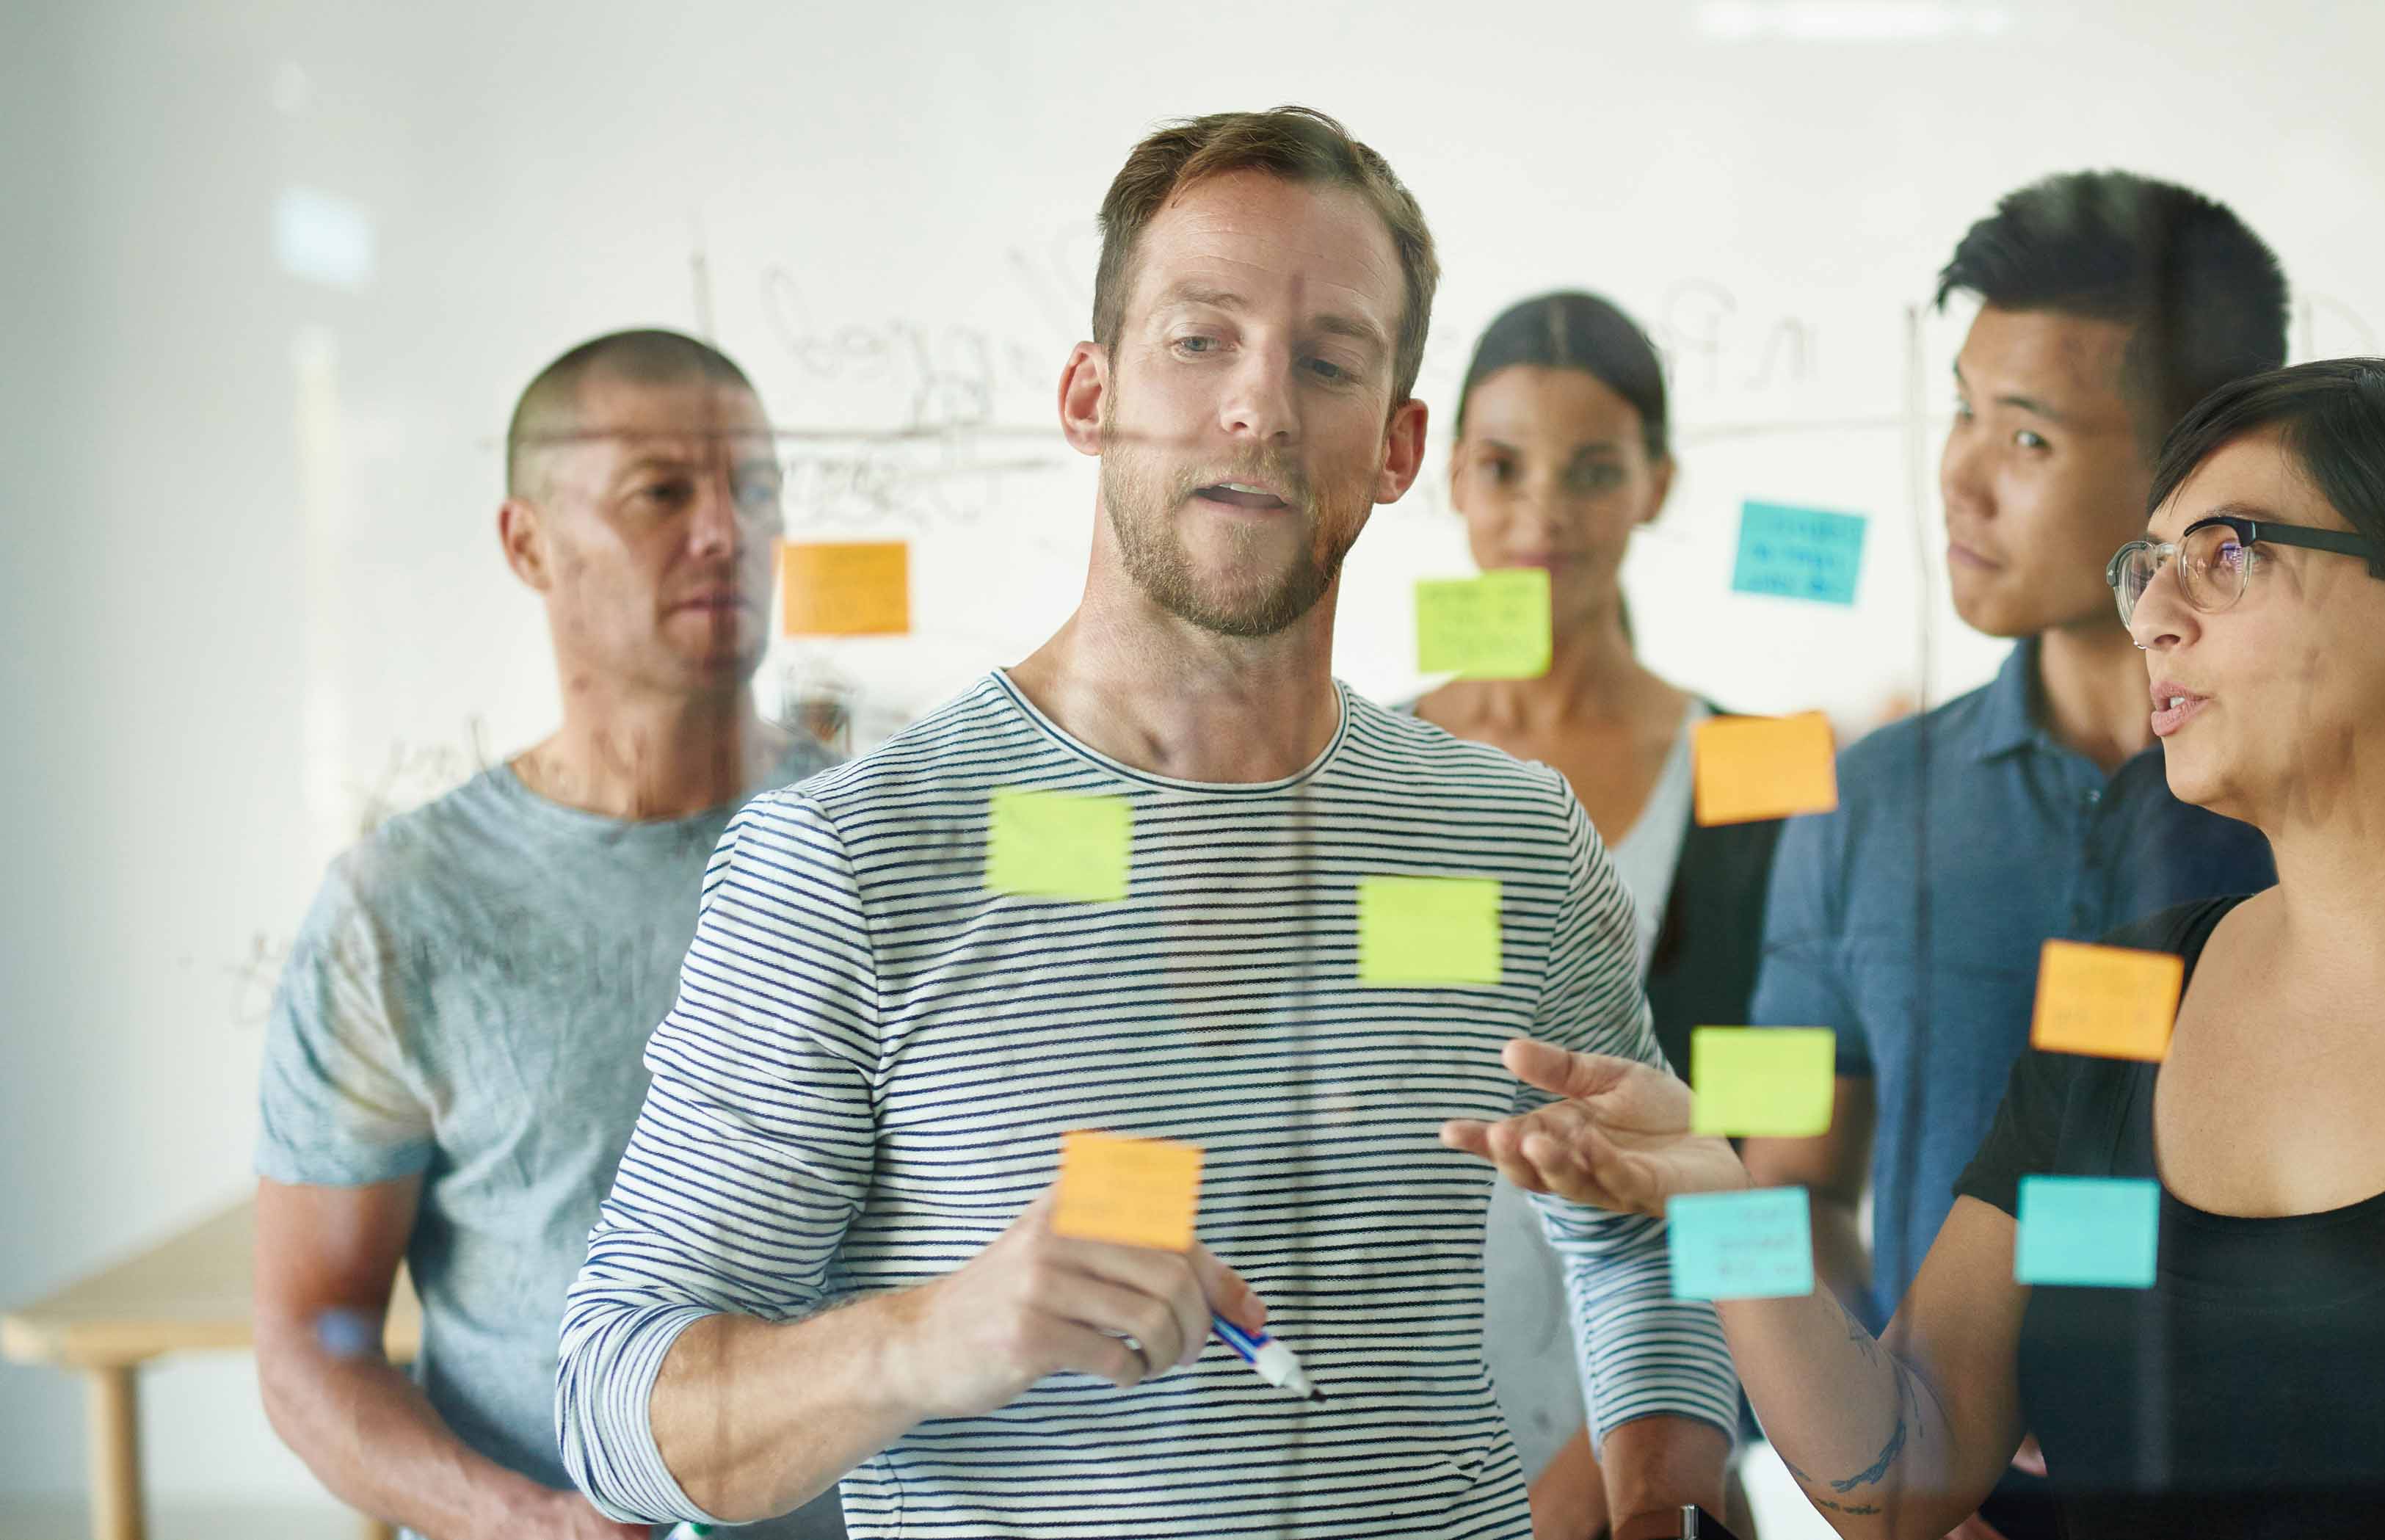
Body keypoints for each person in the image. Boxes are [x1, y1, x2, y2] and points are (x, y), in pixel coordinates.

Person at [1448, 357, 2385, 1539]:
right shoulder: (2125, 1000)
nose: (2154, 614)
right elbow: (1903, 1462)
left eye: (2226, 553)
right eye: (2147, 564)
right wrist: (1719, 1200)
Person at [553, 107, 1740, 1540]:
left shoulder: (1512, 837)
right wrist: (926, 1337)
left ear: (1395, 443)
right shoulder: (850, 858)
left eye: (1328, 360)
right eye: (1199, 338)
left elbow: (1634, 1222)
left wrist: (1665, 1462)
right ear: (1088, 393)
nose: (1259, 405)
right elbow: (614, 1399)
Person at [1737, 171, 2288, 1536]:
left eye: (2028, 438)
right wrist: (1907, 1446)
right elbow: (1765, 1199)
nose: (1960, 474)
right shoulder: (1853, 802)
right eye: (1964, 411)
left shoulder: (2341, 807)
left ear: (2195, 475)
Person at [252, 329, 843, 1540]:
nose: (728, 531)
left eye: (757, 489)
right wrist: (520, 1520)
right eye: (662, 493)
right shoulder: (397, 907)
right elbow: (313, 1343)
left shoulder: (902, 838)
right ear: (528, 544)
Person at [1409, 291, 1783, 1540]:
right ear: (1451, 473)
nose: (1542, 515)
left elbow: (1779, 1158)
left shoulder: (1756, 766)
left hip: (1672, 1418)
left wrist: (1635, 1452)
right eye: (1503, 467)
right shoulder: (1372, 770)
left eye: (1594, 470)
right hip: (1406, 1405)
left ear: (1658, 483)